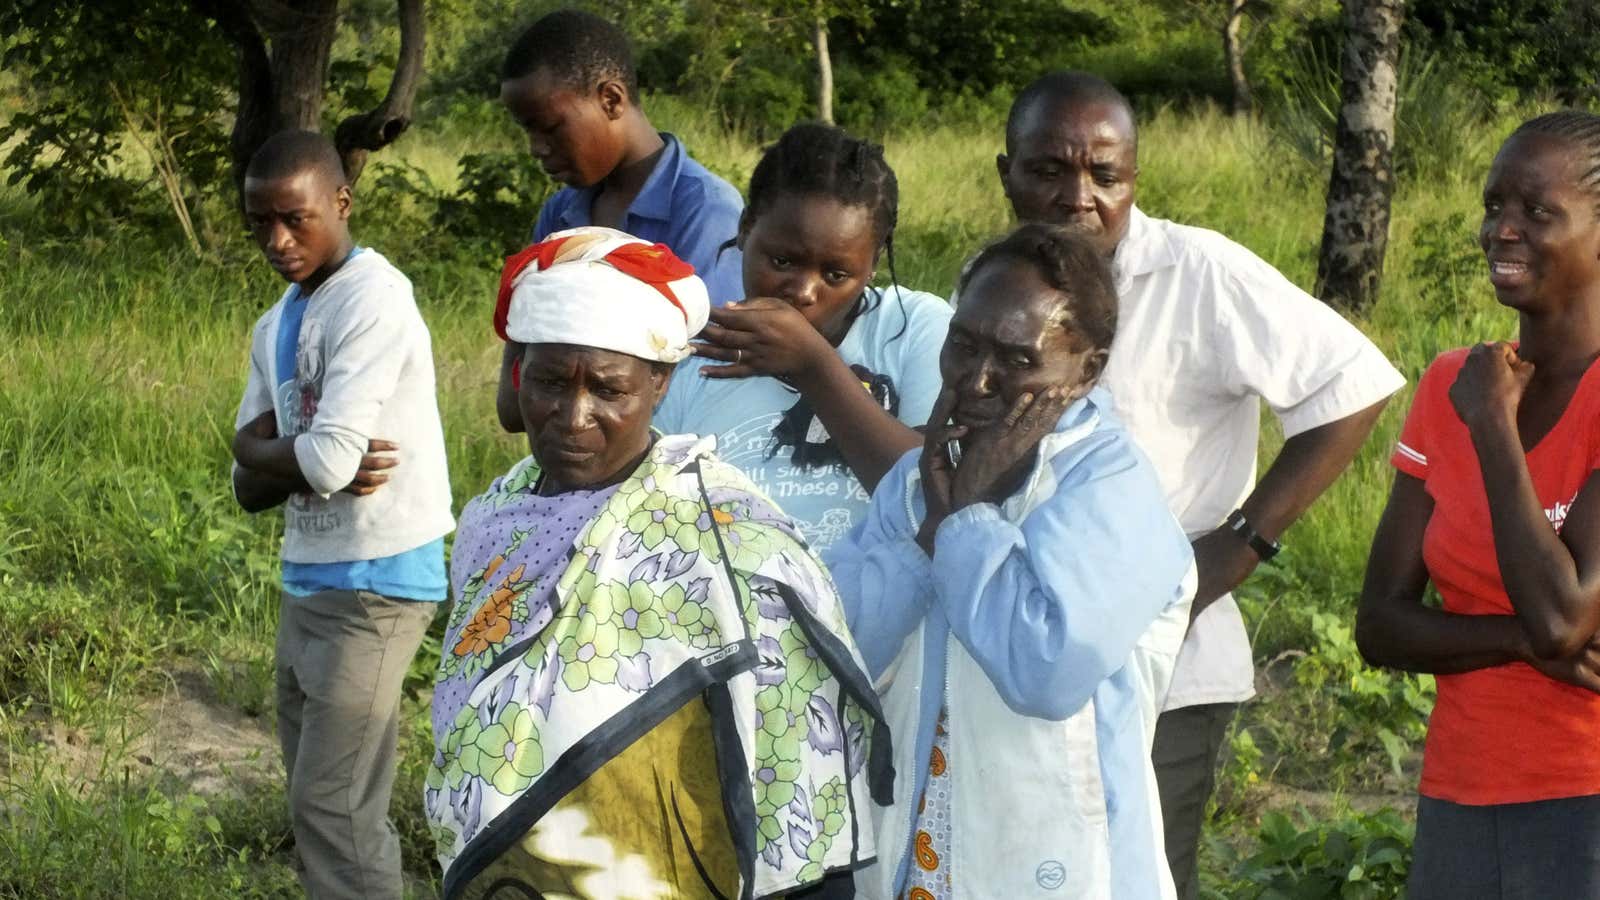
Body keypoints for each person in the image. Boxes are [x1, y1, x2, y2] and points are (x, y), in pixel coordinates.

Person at [993, 71, 1406, 897]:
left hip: (1166, 669)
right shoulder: (998, 281)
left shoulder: (1198, 272)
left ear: (1133, 177)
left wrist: (1239, 547)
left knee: (1139, 876)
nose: (1079, 196)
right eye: (1049, 170)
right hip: (1020, 651)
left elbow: (1352, 383)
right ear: (1005, 172)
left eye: (1105, 175)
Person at [426, 226, 890, 900]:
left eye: (609, 390)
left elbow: (799, 794)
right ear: (518, 373)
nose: (573, 415)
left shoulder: (734, 548)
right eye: (551, 381)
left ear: (660, 382)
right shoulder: (495, 516)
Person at [826, 224, 1195, 899]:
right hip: (913, 861)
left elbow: (1045, 671)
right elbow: (838, 648)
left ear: (1087, 370)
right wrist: (934, 526)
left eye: (1018, 361)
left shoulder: (1112, 487)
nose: (978, 380)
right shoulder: (918, 479)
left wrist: (968, 525)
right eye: (962, 345)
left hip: (1066, 871)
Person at [1356, 111, 1600, 898]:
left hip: (1583, 798)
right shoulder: (1449, 382)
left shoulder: (1484, 398)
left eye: (1537, 212)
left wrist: (1494, 425)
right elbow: (1380, 624)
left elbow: (1564, 612)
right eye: (1494, 206)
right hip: (1458, 792)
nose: (1502, 230)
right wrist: (1520, 643)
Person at [229, 130, 454, 900]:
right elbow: (248, 484)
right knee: (315, 797)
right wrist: (264, 453)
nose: (277, 240)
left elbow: (322, 463)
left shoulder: (374, 297)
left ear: (342, 202)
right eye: (259, 222)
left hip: (379, 582)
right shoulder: (276, 322)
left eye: (295, 218)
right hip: (308, 577)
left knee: (334, 806)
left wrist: (274, 450)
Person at [654, 122, 952, 554]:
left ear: (873, 264)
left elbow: (931, 494)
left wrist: (814, 365)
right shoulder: (692, 351)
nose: (804, 292)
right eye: (782, 260)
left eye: (836, 274)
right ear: (745, 228)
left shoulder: (914, 327)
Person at [495, 9, 745, 433]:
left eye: (550, 128)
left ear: (611, 99)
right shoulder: (560, 215)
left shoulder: (706, 211)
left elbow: (693, 377)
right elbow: (517, 399)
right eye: (527, 132)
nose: (536, 148)